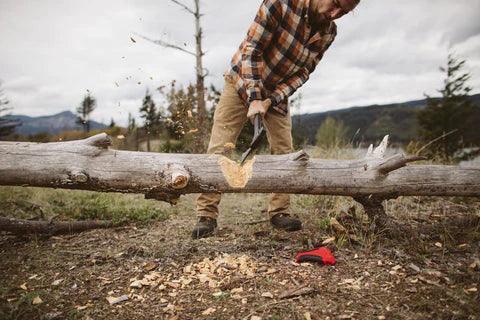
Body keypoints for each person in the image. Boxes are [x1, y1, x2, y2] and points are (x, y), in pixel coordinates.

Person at [193, 0, 360, 239]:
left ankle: (279, 212)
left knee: (284, 152)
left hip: (275, 94)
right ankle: (206, 214)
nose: (334, 14)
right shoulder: (280, 4)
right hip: (241, 82)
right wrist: (254, 98)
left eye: (344, 12)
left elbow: (304, 72)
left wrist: (270, 100)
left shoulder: (328, 32)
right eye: (334, 4)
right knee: (220, 147)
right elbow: (252, 50)